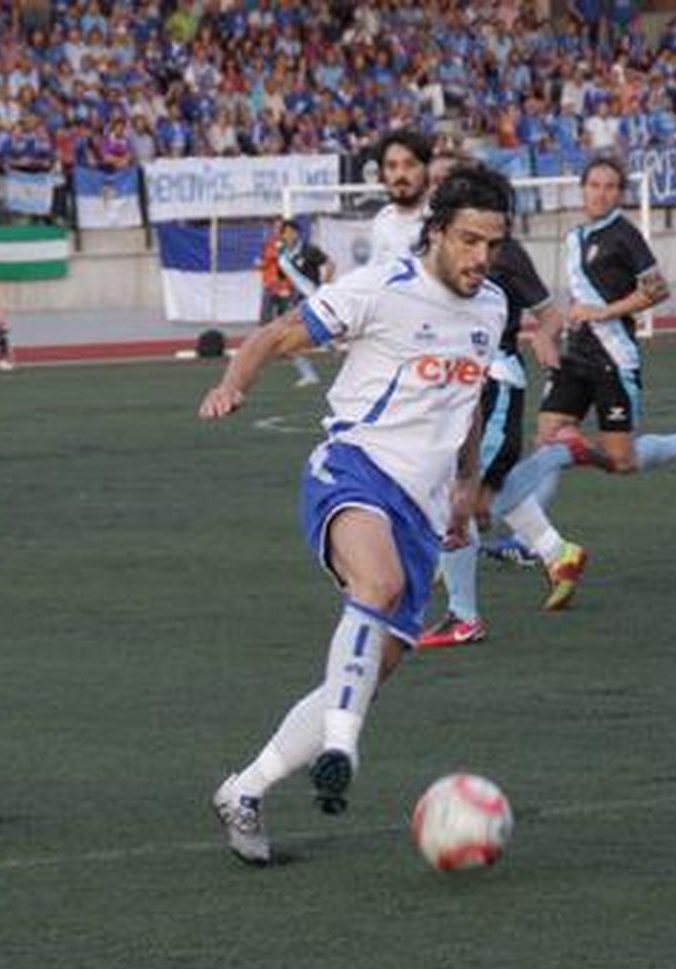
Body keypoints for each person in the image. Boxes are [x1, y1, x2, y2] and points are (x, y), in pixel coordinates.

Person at [200, 163, 513, 865]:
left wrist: (466, 486)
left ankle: (244, 789)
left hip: (425, 511)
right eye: (468, 241)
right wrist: (232, 384)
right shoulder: (382, 288)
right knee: (377, 587)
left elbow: (468, 404)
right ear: (436, 232)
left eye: (493, 245)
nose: (480, 258)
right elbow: (277, 334)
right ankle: (341, 748)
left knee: (370, 667)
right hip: (353, 467)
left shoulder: (491, 306)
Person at [488, 156, 676, 611]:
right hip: (577, 359)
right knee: (546, 439)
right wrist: (549, 335)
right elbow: (571, 303)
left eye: (609, 186)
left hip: (615, 360)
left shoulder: (624, 234)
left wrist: (604, 312)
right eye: (593, 185)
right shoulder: (576, 236)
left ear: (619, 193)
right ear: (582, 189)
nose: (600, 193)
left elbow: (658, 290)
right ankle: (533, 538)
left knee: (622, 461)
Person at [417, 153, 567, 649]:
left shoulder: (507, 253)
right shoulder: (423, 248)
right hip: (447, 386)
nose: (436, 187)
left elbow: (548, 312)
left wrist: (545, 338)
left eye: (447, 181)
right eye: (434, 181)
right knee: (470, 495)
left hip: (494, 380)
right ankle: (555, 550)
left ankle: (465, 614)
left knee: (468, 492)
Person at [259, 218, 333, 387]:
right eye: (286, 232)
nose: (290, 235)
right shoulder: (283, 254)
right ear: (282, 235)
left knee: (337, 336)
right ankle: (309, 374)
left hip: (316, 299)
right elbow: (284, 277)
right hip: (299, 301)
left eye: (293, 232)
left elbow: (330, 264)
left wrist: (325, 286)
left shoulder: (309, 250)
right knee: (288, 339)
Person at [366, 129, 431, 264]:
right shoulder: (382, 220)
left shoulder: (440, 221)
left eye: (410, 165)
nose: (400, 174)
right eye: (391, 166)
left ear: (426, 170)